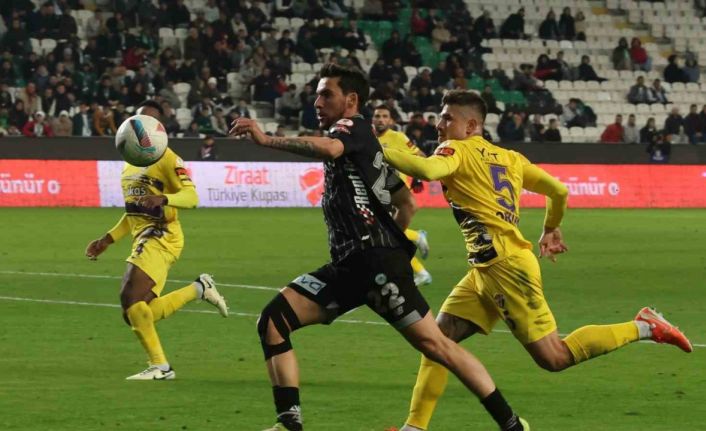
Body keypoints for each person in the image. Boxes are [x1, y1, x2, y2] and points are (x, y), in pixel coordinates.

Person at [230, 65, 529, 431]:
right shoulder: (368, 149)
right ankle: (288, 423)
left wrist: (266, 140)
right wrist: (388, 243)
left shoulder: (353, 128)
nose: (317, 102)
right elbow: (407, 203)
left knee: (438, 346)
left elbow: (330, 148)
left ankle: (511, 424)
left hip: (373, 265)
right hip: (352, 265)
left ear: (351, 100)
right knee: (273, 321)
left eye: (326, 94)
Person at [382, 89, 693, 431]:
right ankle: (415, 427)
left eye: (447, 118)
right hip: (487, 268)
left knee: (554, 357)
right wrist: (550, 227)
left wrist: (373, 149)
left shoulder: (457, 149)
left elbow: (426, 169)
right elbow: (559, 191)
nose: (439, 124)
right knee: (438, 342)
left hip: (506, 269)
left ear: (471, 126)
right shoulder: (510, 158)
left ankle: (645, 326)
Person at [84, 100, 229, 380]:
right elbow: (133, 213)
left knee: (129, 297)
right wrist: (107, 240)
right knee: (138, 311)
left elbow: (192, 197)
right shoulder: (130, 163)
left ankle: (161, 367)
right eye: (139, 122)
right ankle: (198, 289)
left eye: (150, 123)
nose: (143, 130)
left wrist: (163, 198)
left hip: (162, 235)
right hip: (143, 237)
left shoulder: (168, 158)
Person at [373, 104, 432, 286]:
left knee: (387, 235)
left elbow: (420, 155)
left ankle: (420, 270)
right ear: (372, 119)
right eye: (377, 116)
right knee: (389, 235)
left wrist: (417, 177)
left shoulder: (398, 137)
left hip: (396, 194)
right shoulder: (370, 139)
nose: (381, 119)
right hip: (379, 192)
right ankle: (416, 238)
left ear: (391, 120)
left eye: (385, 116)